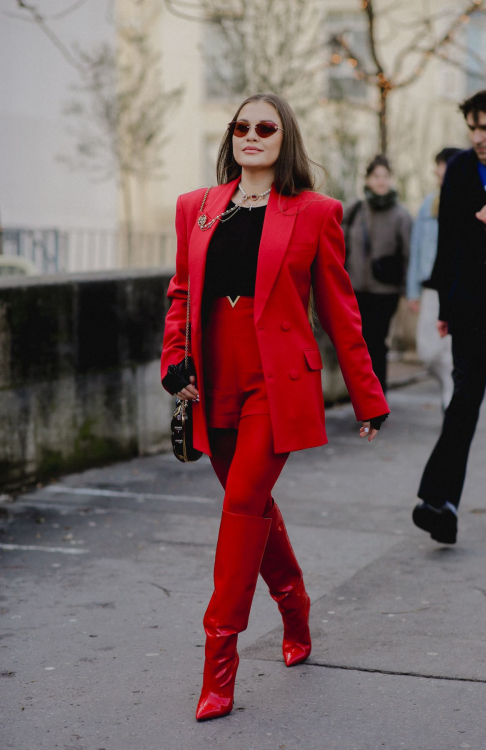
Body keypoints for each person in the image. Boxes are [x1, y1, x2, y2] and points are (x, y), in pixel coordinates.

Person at [161, 93, 389, 721]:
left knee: (239, 505)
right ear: (230, 137)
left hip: (276, 383)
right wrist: (172, 360)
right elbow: (182, 290)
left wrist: (368, 395)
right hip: (212, 381)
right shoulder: (196, 208)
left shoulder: (317, 213)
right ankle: (293, 601)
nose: (252, 135)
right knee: (252, 502)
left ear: (284, 137)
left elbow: (341, 311)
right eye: (242, 126)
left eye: (266, 127)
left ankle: (218, 664)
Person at [412, 88, 486, 545]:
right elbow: (448, 240)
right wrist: (446, 306)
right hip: (472, 304)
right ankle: (439, 503)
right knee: (464, 400)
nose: (477, 136)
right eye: (472, 127)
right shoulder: (463, 168)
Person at [342, 155, 412, 393]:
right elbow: (338, 247)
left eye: (385, 176)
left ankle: (377, 395)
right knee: (358, 344)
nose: (381, 181)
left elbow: (408, 254)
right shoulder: (354, 210)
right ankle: (364, 395)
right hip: (355, 290)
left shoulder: (401, 215)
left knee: (376, 342)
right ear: (368, 179)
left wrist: (408, 291)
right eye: (376, 176)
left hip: (386, 292)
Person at [406, 148, 461, 410]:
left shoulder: (467, 200)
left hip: (457, 288)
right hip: (430, 288)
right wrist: (412, 290)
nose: (437, 171)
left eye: (441, 165)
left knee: (451, 348)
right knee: (426, 352)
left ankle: (451, 398)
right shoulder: (430, 203)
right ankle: (450, 384)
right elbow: (416, 249)